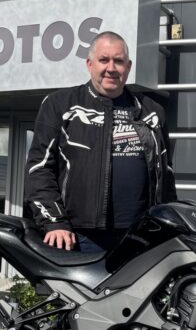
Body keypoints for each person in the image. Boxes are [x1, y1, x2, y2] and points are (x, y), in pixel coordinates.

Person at [24, 31, 177, 253]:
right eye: (103, 60)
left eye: (119, 61)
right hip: (79, 236)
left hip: (142, 236)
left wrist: (168, 225)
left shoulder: (152, 112)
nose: (111, 68)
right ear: (89, 64)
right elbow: (39, 168)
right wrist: (54, 221)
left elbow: (167, 175)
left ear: (129, 67)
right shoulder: (60, 105)